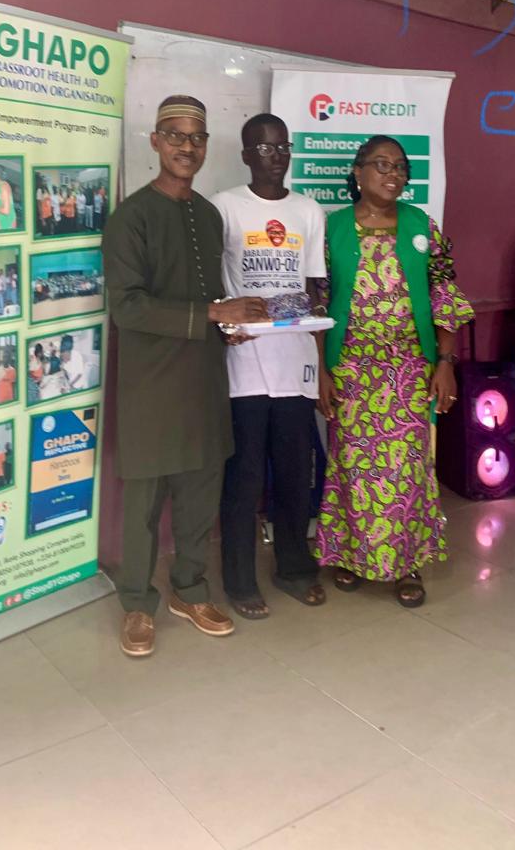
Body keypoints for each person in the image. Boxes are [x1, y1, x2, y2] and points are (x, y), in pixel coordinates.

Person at [104, 94, 269, 658]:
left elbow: (209, 296)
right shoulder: (131, 217)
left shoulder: (207, 214)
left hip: (203, 378)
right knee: (143, 508)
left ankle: (190, 590)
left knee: (200, 496)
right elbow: (127, 307)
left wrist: (229, 326)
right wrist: (215, 314)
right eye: (174, 135)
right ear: (155, 141)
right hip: (150, 386)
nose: (186, 146)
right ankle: (136, 603)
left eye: (196, 137)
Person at [315, 135, 474, 607]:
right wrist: (321, 371)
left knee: (407, 469)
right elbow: (317, 303)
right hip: (350, 369)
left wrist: (445, 362)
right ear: (358, 171)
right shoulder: (332, 228)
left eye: (401, 166)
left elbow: (445, 294)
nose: (394, 174)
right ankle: (351, 556)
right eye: (382, 164)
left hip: (409, 369)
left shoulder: (422, 225)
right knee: (351, 465)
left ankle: (407, 563)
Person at [212, 114, 326, 619]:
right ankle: (239, 580)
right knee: (244, 475)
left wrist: (320, 352)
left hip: (295, 361)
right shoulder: (225, 206)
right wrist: (224, 324)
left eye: (282, 147)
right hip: (244, 361)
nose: (275, 156)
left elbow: (315, 287)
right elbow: (212, 283)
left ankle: (294, 568)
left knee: (295, 471)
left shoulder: (308, 210)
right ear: (245, 155)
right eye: (263, 148)